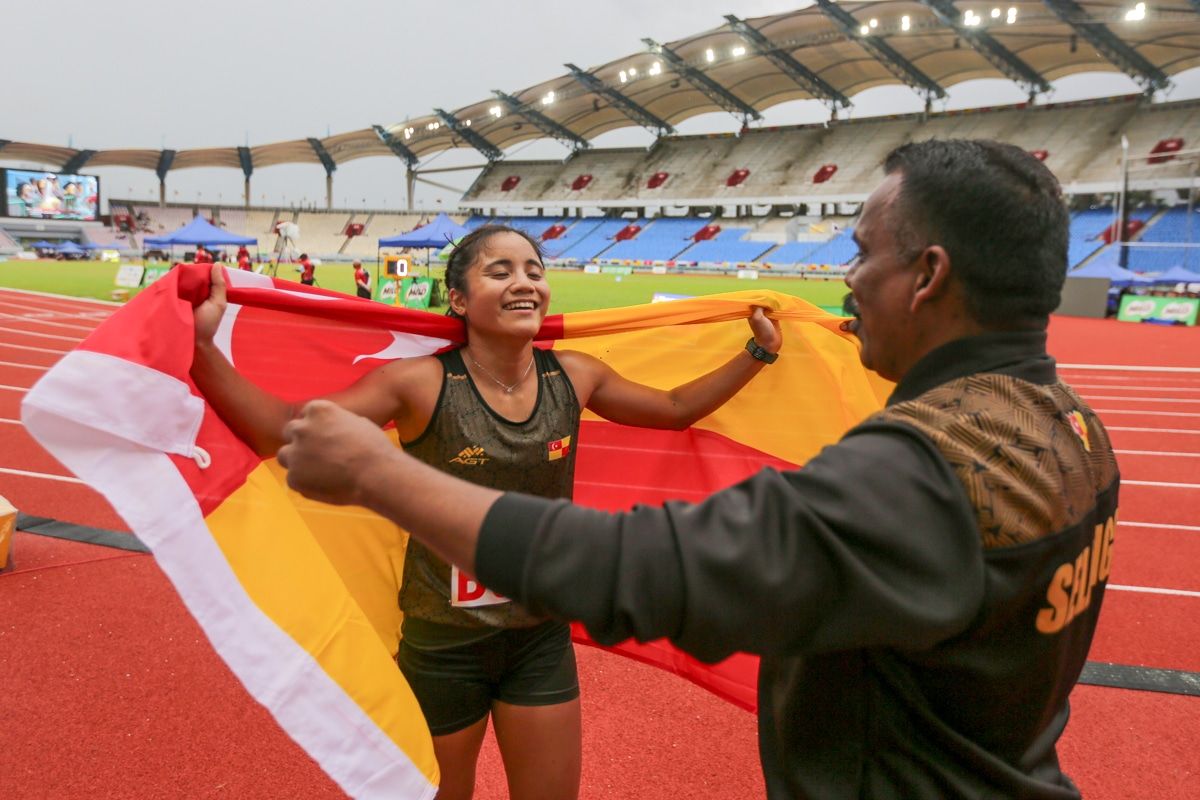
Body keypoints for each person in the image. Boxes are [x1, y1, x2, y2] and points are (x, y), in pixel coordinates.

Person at [277, 141, 1120, 800]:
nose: (846, 275)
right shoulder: (1075, 428)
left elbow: (647, 569)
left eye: (862, 252)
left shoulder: (917, 470)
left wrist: (378, 476)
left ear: (928, 275)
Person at [191, 224, 781, 800]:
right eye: (499, 271)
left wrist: (758, 352)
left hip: (539, 637)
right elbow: (286, 433)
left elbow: (675, 408)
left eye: (533, 270)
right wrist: (200, 349)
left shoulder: (574, 376)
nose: (524, 282)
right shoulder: (420, 385)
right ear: (458, 299)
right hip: (443, 644)